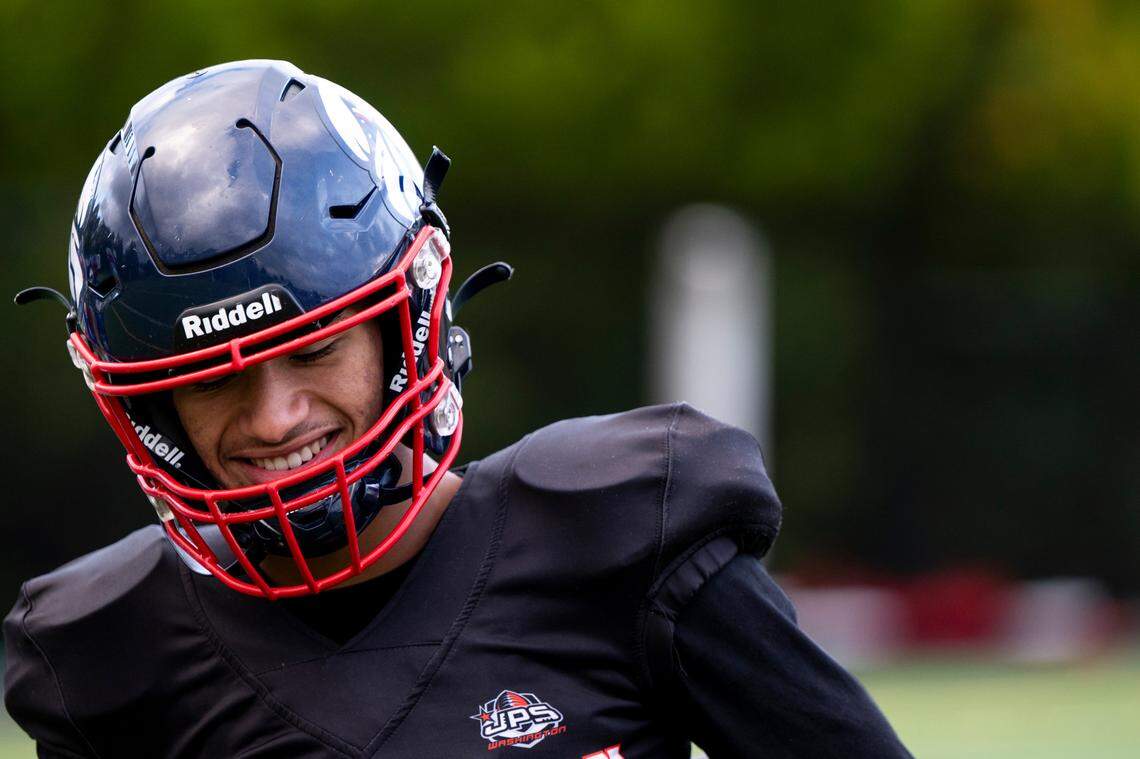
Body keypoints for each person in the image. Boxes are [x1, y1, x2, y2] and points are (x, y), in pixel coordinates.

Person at [4, 60, 912, 758]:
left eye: (314, 349)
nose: (275, 418)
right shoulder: (107, 659)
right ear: (150, 400)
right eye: (213, 378)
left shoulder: (620, 541)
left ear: (407, 328)